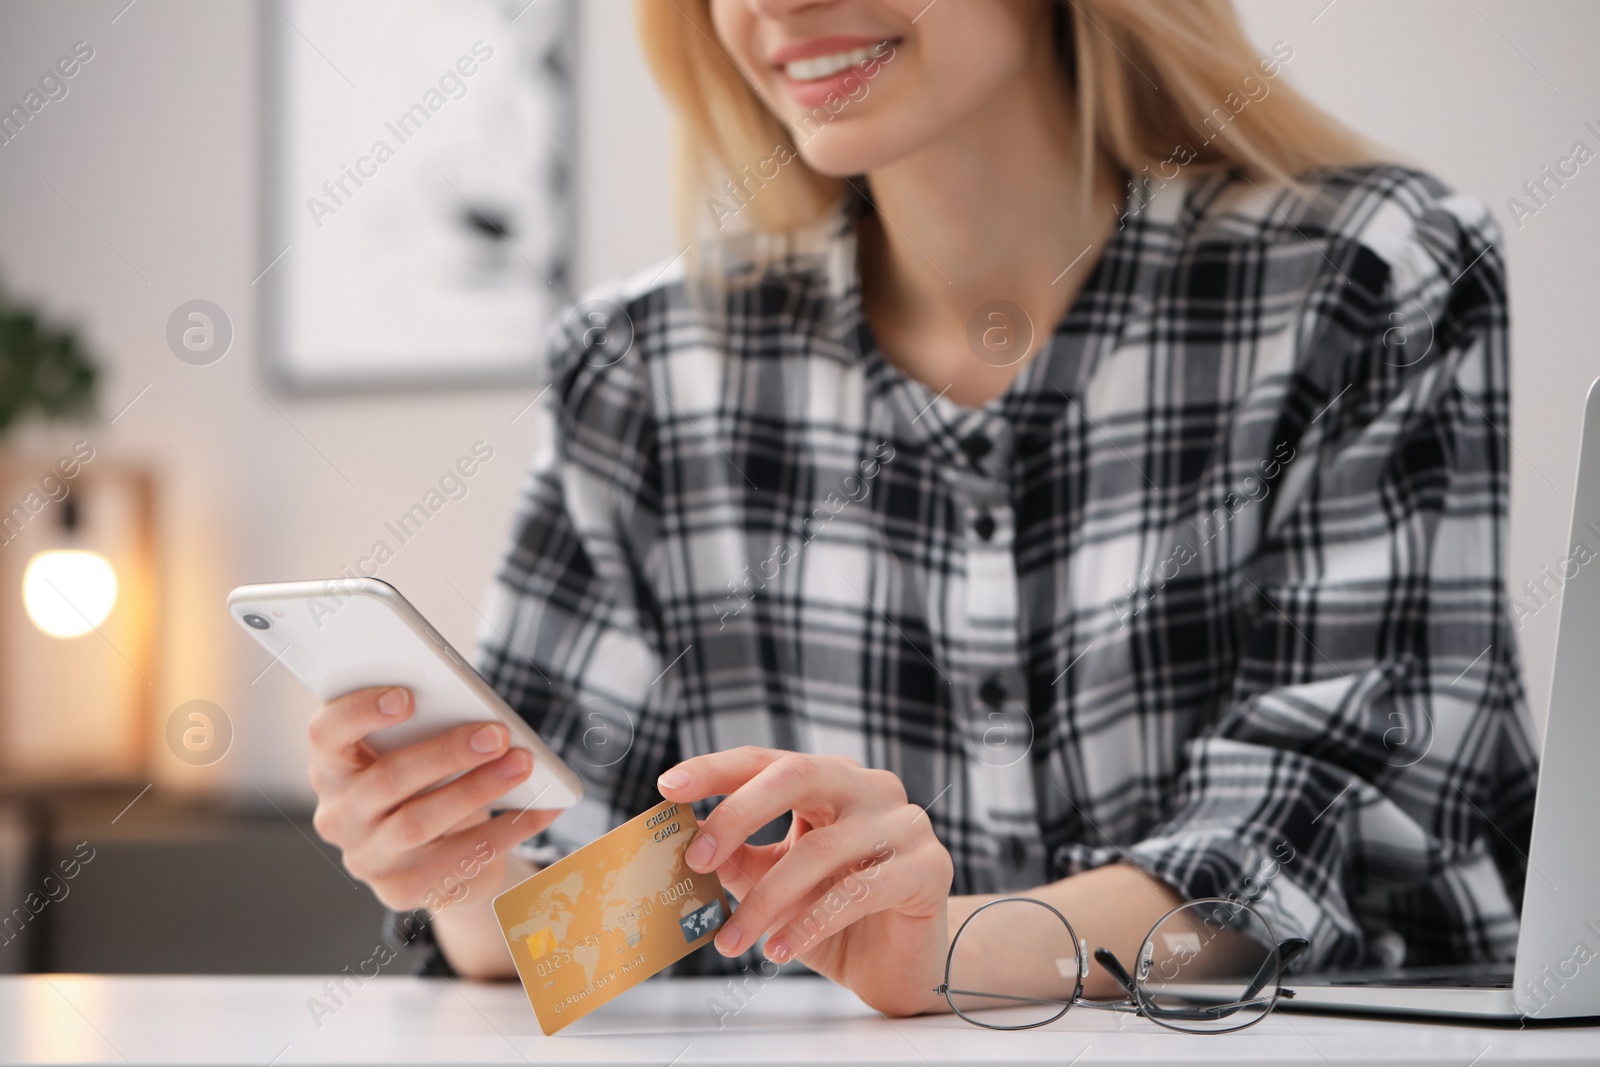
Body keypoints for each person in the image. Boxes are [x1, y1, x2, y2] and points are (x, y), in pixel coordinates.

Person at [304, 0, 1538, 1018]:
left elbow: (1335, 823)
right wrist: (464, 866)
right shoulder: (639, 369)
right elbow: (569, 920)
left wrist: (944, 946)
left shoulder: (1369, 275)